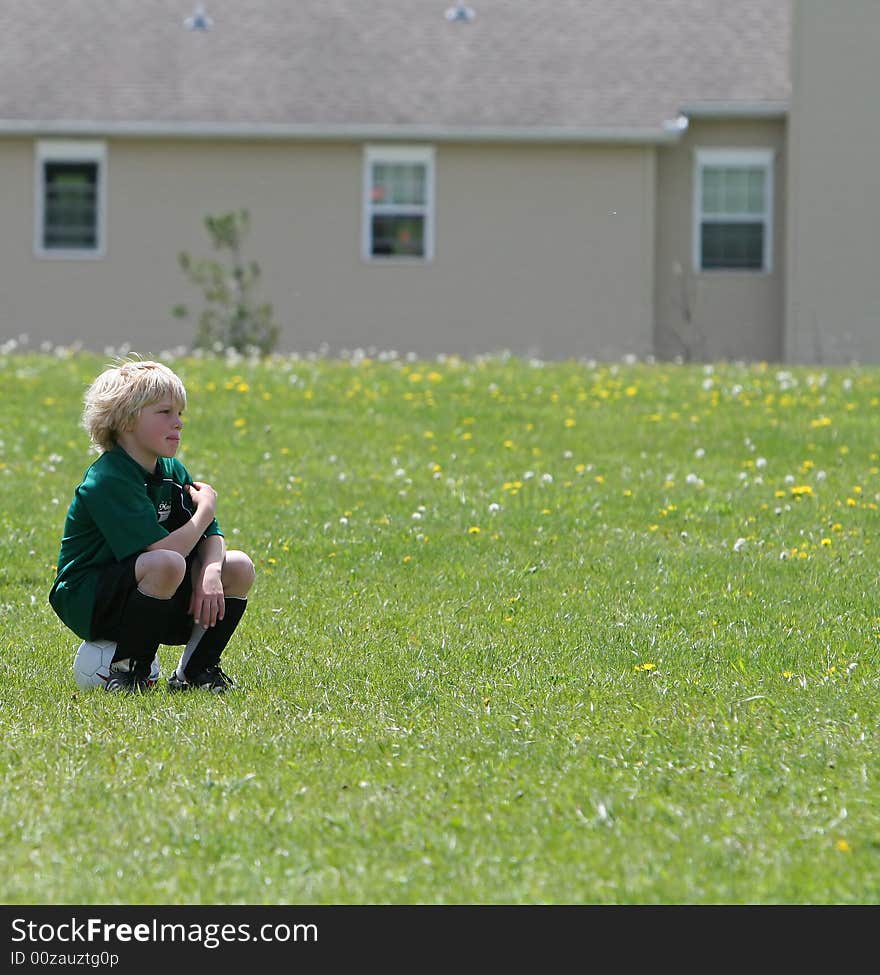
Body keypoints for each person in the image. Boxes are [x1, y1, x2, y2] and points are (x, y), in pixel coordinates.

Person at [49, 358, 255, 693]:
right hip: (88, 599)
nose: (178, 423)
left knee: (239, 566)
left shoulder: (171, 470)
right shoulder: (108, 479)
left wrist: (212, 573)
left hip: (151, 588)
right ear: (127, 419)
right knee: (167, 562)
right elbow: (165, 551)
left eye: (180, 414)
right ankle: (129, 671)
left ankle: (196, 672)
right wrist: (205, 509)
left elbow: (210, 535)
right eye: (165, 413)